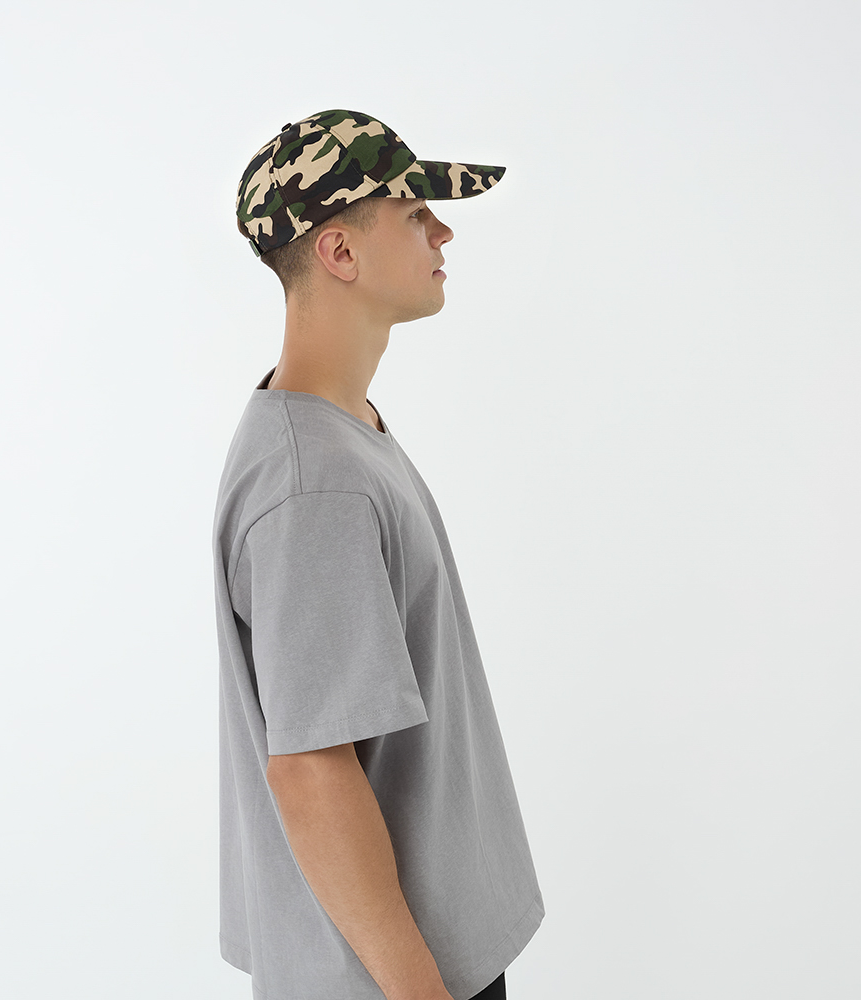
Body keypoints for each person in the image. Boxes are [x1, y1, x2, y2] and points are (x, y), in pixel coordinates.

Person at [212, 109, 544, 1000]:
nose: (442, 232)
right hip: (394, 976)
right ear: (339, 251)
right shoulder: (314, 486)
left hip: (418, 952)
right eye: (414, 214)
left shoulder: (336, 432)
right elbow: (311, 770)